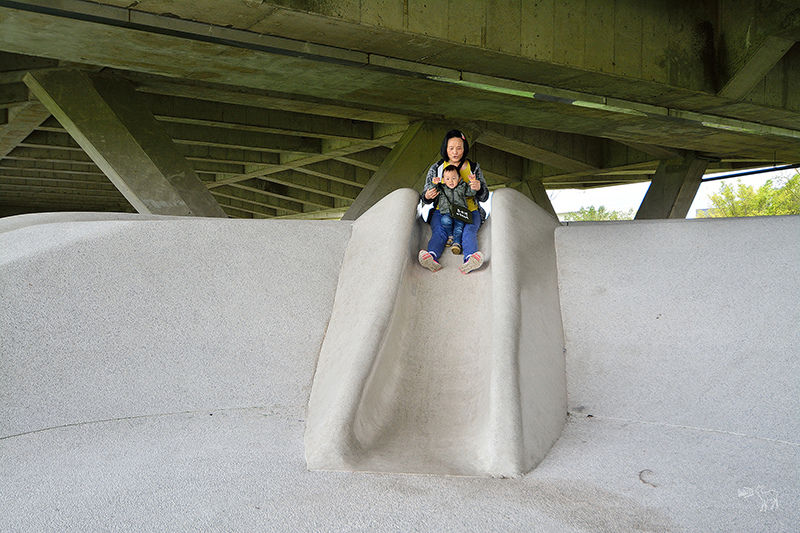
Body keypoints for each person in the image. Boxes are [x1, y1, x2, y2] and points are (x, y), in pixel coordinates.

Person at [418, 130, 489, 274]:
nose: (455, 152)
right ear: (446, 149)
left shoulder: (473, 168)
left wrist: (479, 188)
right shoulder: (437, 168)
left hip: (469, 211)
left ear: (464, 149)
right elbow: (425, 196)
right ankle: (431, 257)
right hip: (442, 210)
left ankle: (470, 259)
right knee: (439, 231)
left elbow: (484, 197)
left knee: (469, 232)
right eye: (451, 148)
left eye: (459, 148)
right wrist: (428, 195)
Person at [428, 164, 476, 255]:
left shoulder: (462, 187)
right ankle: (450, 235)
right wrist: (434, 183)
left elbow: (471, 192)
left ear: (459, 178)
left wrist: (472, 182)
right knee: (445, 220)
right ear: (443, 180)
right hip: (447, 212)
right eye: (448, 179)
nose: (451, 181)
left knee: (459, 227)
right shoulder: (442, 188)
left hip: (459, 212)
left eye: (454, 178)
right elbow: (433, 190)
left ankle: (456, 244)